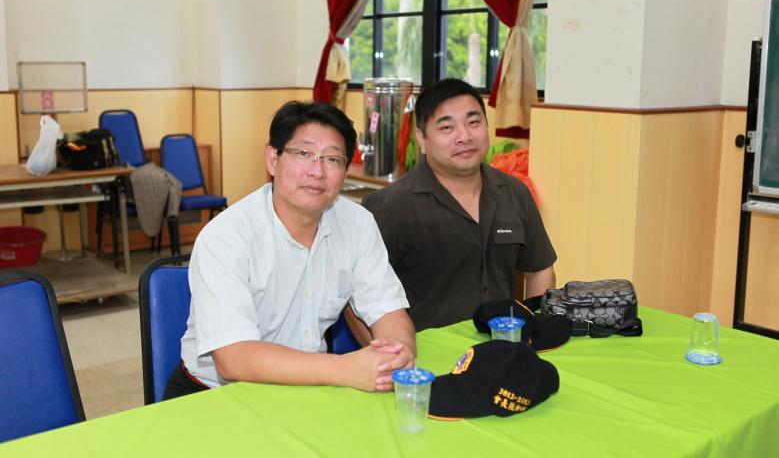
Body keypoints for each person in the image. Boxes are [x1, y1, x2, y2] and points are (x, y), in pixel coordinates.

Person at [164, 101, 416, 400]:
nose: (317, 171)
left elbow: (387, 309)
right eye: (304, 154)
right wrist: (346, 368)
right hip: (214, 396)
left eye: (333, 159)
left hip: (310, 387)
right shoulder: (226, 236)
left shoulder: (357, 224)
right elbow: (233, 359)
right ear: (273, 160)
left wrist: (398, 354)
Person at [348, 78, 556, 338]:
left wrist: (534, 335)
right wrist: (386, 355)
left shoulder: (514, 193)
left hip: (503, 350)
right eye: (447, 127)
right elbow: (355, 293)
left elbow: (539, 270)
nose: (464, 137)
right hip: (425, 355)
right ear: (422, 139)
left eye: (474, 122)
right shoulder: (390, 206)